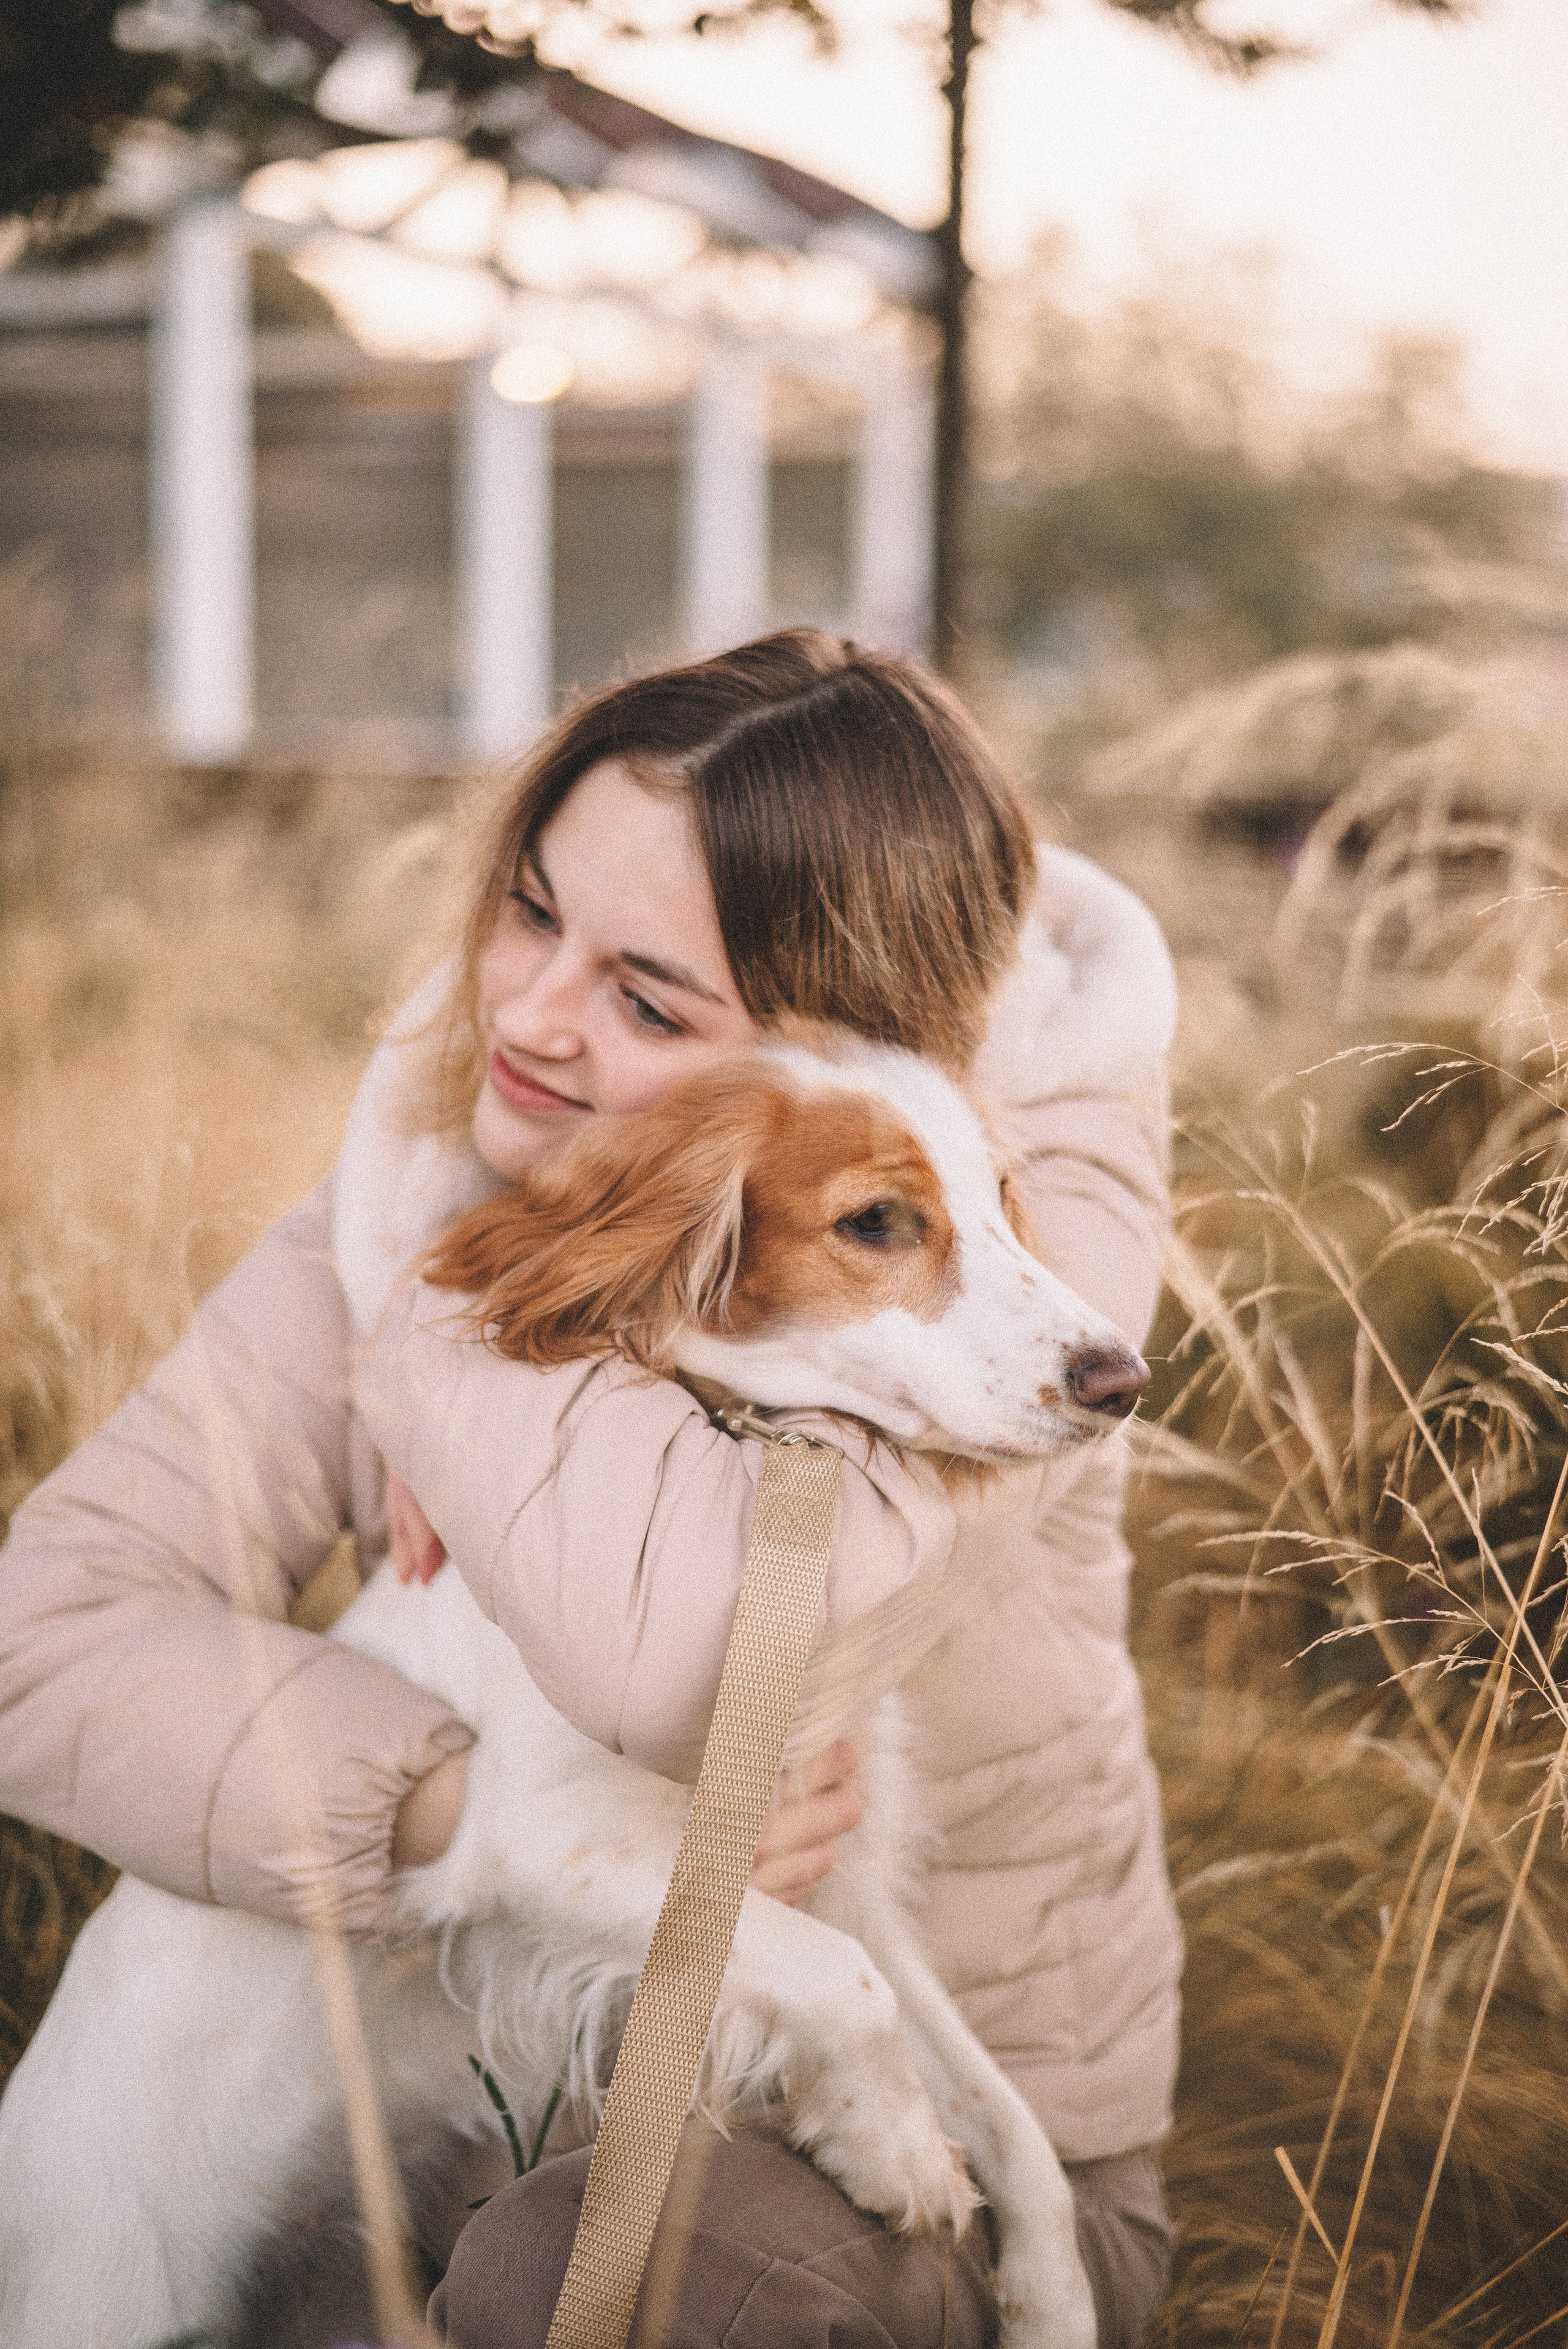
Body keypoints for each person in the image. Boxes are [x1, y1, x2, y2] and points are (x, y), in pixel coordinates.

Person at [0, 631, 1181, 2348]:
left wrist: (451, 1373)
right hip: (448, 2139)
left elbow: (673, 1660)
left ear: (831, 1031)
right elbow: (43, 1631)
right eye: (531, 909)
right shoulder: (431, 1200)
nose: (530, 1014)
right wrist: (431, 1810)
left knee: (587, 2269)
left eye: (647, 997)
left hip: (953, 2169)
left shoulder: (1028, 1253)